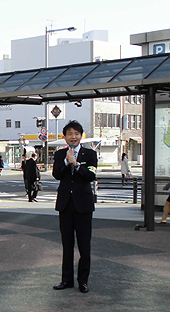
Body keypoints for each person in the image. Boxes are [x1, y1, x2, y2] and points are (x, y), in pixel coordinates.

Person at [52, 120, 98, 294]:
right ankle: (66, 279)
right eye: (70, 134)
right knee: (67, 244)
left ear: (81, 136)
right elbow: (57, 174)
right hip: (65, 204)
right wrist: (66, 161)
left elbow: (91, 175)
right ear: (65, 137)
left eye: (76, 134)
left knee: (84, 245)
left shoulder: (90, 154)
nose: (73, 137)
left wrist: (76, 164)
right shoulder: (59, 155)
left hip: (84, 206)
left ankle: (83, 281)